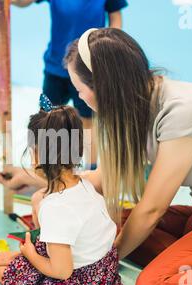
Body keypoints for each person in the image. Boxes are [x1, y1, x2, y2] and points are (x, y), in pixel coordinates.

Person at [0, 28, 192, 285]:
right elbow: (102, 179)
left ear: (103, 86)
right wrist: (33, 180)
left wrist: (97, 268)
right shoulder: (137, 106)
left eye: (79, 90)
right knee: (99, 228)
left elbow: (152, 209)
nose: (81, 98)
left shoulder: (184, 110)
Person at [0, 97, 135, 285]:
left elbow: (62, 272)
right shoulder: (84, 184)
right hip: (104, 273)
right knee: (10, 258)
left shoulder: (54, 208)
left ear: (36, 156)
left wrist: (30, 254)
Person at [11, 0, 128, 169]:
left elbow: (115, 17)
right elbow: (23, 2)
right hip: (55, 67)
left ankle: (91, 168)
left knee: (88, 120)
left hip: (88, 69)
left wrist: (105, 51)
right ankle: (41, 167)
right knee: (45, 116)